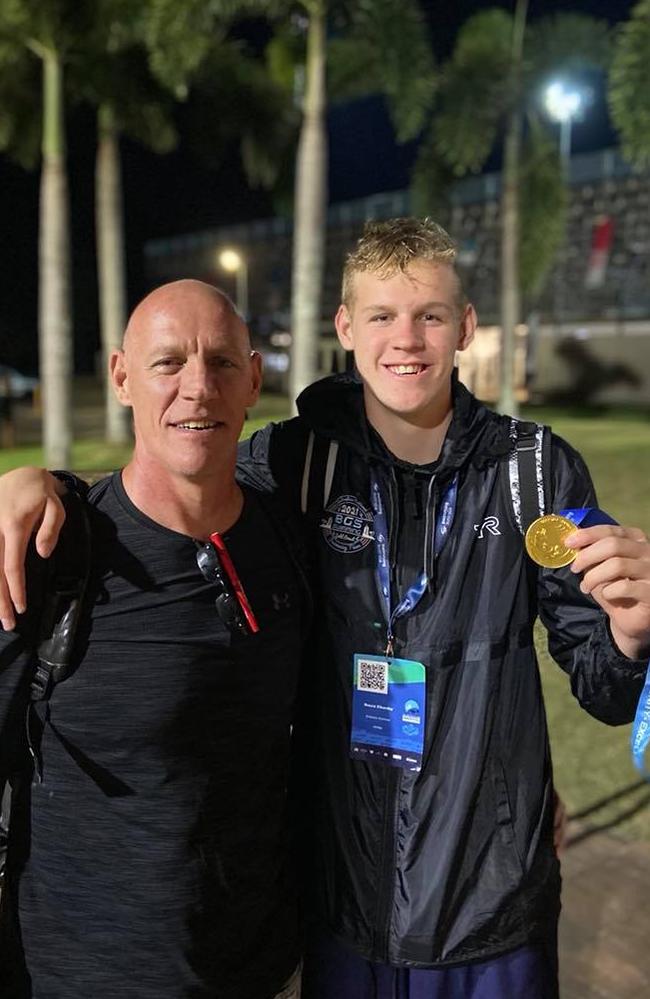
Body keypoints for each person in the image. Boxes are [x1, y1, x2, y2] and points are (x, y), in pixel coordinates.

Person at [1, 220, 650, 998]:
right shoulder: (297, 459)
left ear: (465, 327)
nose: (405, 339)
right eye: (381, 315)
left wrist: (630, 632)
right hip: (337, 908)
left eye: (431, 316)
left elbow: (605, 689)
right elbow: (177, 467)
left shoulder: (533, 472)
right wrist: (52, 486)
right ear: (346, 327)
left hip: (489, 907)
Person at [0, 280, 309, 999]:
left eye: (223, 363)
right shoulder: (48, 552)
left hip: (265, 972)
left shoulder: (286, 537)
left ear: (255, 380)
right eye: (168, 363)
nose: (198, 388)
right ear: (121, 378)